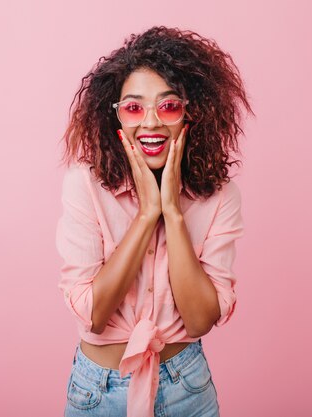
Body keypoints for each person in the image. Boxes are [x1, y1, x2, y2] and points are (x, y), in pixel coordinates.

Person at [56, 25, 253, 417]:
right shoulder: (84, 185)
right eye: (133, 107)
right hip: (98, 392)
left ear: (190, 113)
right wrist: (148, 214)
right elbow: (94, 315)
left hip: (186, 387)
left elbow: (199, 320)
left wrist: (173, 213)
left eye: (168, 106)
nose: (150, 122)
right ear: (115, 116)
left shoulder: (219, 197)